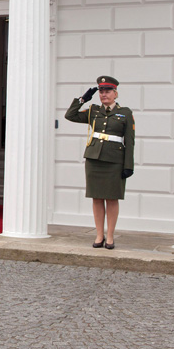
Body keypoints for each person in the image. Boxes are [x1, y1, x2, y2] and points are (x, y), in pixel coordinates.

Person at [64, 76, 135, 250]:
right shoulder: (93, 111)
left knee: (112, 198)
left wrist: (128, 165)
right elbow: (70, 115)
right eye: (101, 91)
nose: (104, 94)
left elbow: (130, 141)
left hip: (114, 161)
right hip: (94, 159)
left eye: (108, 91)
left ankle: (110, 236)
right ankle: (99, 235)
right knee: (96, 198)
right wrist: (82, 99)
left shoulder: (125, 113)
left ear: (115, 93)